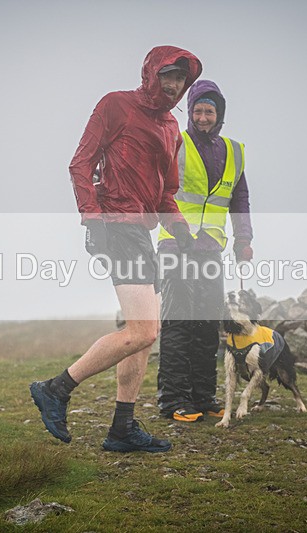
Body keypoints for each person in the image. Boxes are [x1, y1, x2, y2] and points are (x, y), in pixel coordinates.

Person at [29, 46, 202, 452]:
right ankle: (55, 389)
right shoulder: (115, 105)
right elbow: (80, 164)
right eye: (169, 76)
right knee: (145, 330)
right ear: (151, 74)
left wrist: (183, 234)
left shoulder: (171, 129)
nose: (175, 85)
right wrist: (91, 220)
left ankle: (122, 428)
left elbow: (166, 194)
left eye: (181, 79)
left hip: (141, 232)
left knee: (140, 335)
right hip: (116, 227)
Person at [156, 79, 254, 422]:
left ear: (219, 113)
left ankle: (203, 397)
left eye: (209, 110)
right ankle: (174, 401)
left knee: (206, 325)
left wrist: (244, 240)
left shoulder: (234, 151)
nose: (202, 116)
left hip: (211, 249)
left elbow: (239, 201)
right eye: (197, 110)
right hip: (175, 243)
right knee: (178, 324)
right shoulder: (175, 143)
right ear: (189, 112)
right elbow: (159, 191)